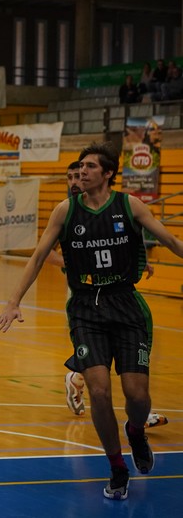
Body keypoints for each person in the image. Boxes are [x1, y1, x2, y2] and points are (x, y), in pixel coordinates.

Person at [0, 142, 183, 501]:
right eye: (80, 167)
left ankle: (136, 430)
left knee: (137, 396)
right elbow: (37, 257)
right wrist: (13, 301)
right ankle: (117, 467)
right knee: (97, 389)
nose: (82, 171)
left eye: (90, 166)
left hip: (126, 305)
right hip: (85, 308)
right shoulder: (66, 210)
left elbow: (170, 238)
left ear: (108, 173)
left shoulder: (129, 205)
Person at [52, 161, 168, 430]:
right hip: (85, 289)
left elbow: (114, 244)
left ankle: (128, 402)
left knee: (118, 350)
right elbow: (43, 251)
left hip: (112, 288)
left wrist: (137, 263)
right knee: (104, 351)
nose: (74, 180)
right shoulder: (68, 210)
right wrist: (70, 263)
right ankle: (127, 407)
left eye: (77, 174)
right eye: (69, 176)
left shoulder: (107, 204)